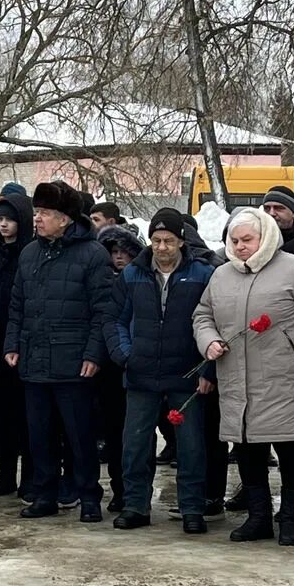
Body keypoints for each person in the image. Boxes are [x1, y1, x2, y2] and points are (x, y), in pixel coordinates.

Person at [193, 207, 294, 545]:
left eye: (248, 240)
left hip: (287, 381)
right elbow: (202, 314)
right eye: (235, 240)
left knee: (293, 454)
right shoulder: (221, 275)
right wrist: (209, 340)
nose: (240, 246)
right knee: (247, 452)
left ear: (266, 237)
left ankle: (291, 520)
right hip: (237, 383)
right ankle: (258, 518)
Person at [4, 180, 113, 523]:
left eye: (45, 214)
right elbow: (17, 304)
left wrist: (94, 354)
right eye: (36, 213)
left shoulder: (92, 254)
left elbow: (103, 309)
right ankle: (44, 494)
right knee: (39, 435)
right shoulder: (30, 252)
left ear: (65, 218)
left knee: (79, 436)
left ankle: (88, 496)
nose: (37, 219)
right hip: (34, 359)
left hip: (74, 361)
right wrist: (12, 343)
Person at [104, 209, 216, 534]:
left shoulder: (201, 274)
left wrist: (206, 366)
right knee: (136, 444)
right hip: (141, 373)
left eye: (168, 240)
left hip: (186, 374)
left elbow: (213, 320)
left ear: (181, 241)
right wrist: (125, 355)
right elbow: (115, 320)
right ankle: (136, 505)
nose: (162, 247)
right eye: (155, 240)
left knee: (192, 445)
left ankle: (192, 508)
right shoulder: (132, 275)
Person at [0, 192, 34, 498]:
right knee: (1, 412)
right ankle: (5, 474)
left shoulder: (30, 252)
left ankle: (30, 475)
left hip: (25, 341)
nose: (4, 225)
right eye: (0, 219)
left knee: (27, 415)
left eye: (10, 219)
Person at [96, 223, 145, 506]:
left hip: (135, 363)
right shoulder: (100, 280)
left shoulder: (140, 279)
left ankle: (135, 490)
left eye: (123, 252)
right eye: (113, 252)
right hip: (106, 365)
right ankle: (119, 488)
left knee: (137, 433)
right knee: (113, 431)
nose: (118, 257)